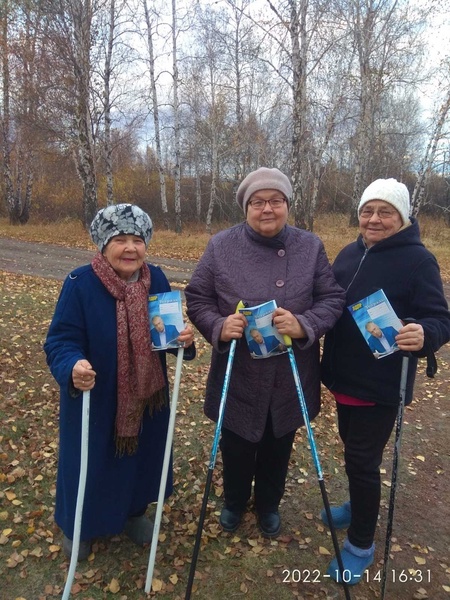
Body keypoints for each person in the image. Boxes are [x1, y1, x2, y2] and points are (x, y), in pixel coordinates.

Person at [185, 167, 345, 537]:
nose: (267, 209)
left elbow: (332, 298)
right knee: (237, 444)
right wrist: (218, 325)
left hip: (289, 375)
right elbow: (197, 297)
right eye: (258, 202)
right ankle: (235, 501)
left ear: (288, 205)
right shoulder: (221, 246)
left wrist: (304, 323)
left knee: (278, 444)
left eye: (276, 201)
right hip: (238, 373)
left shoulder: (310, 246)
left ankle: (269, 504)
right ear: (246, 207)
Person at [44, 203, 195, 560]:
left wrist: (183, 341)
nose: (131, 248)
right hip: (95, 396)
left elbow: (169, 332)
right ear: (103, 244)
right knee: (88, 463)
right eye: (121, 239)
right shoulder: (79, 284)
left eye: (137, 240)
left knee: (142, 457)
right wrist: (73, 365)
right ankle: (79, 525)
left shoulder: (155, 278)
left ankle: (134, 512)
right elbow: (60, 340)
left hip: (147, 394)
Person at [321, 178, 450, 584]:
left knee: (363, 461)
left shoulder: (418, 260)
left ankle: (361, 544)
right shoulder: (349, 251)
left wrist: (423, 334)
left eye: (385, 212)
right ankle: (357, 507)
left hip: (379, 384)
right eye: (367, 211)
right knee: (354, 452)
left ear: (402, 216)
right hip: (343, 377)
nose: (374, 219)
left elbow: (440, 319)